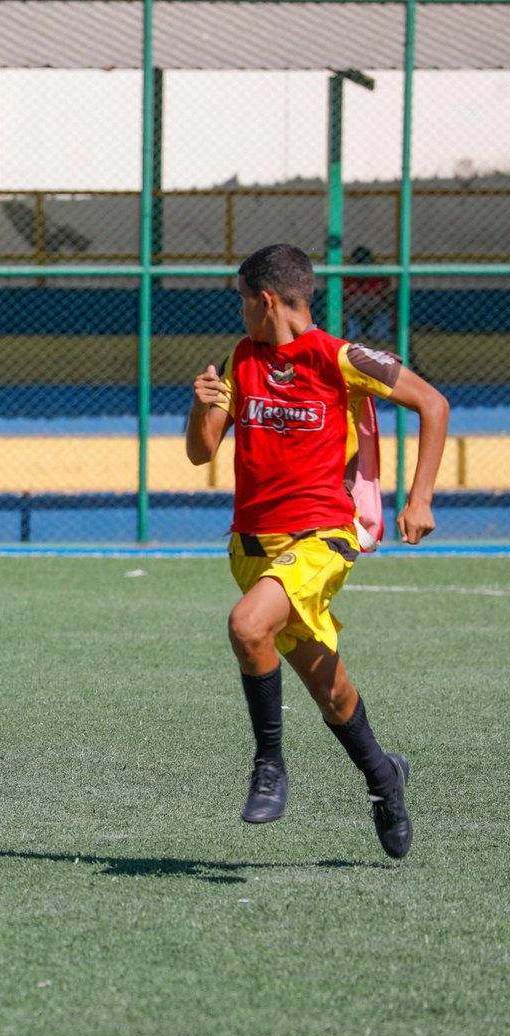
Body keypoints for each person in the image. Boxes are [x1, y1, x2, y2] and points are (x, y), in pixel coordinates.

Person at [185, 243, 449, 859]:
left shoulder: (342, 357)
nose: (242, 313)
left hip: (321, 537)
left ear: (267, 299)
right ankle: (387, 779)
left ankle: (269, 767)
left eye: (244, 302)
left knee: (248, 626)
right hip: (251, 548)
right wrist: (203, 407)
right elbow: (202, 453)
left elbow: (433, 404)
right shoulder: (237, 359)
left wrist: (421, 499)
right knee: (330, 691)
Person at [342, 246, 395, 345]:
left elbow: (389, 301)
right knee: (347, 322)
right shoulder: (345, 278)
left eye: (365, 263)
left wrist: (372, 309)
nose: (361, 267)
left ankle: (380, 339)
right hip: (353, 315)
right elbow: (340, 304)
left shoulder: (380, 277)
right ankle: (350, 340)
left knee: (385, 318)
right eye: (358, 263)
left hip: (376, 315)